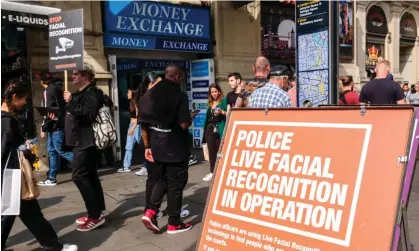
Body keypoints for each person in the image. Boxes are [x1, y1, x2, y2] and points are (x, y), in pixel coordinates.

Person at [1, 80, 78, 251]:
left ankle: (52, 245)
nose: (24, 103)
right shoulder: (6, 122)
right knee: (29, 214)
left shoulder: (5, 119)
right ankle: (53, 246)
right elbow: (4, 152)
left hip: (9, 177)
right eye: (23, 99)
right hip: (12, 176)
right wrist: (25, 150)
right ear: (14, 97)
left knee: (15, 213)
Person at [138, 64, 193, 234]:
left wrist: (147, 146)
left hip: (156, 143)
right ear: (176, 76)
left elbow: (143, 122)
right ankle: (174, 224)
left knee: (161, 179)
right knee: (176, 184)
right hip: (175, 146)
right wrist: (190, 117)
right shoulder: (179, 95)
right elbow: (184, 124)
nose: (182, 80)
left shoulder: (150, 93)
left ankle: (151, 211)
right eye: (182, 77)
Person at [63, 63, 106, 232]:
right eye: (72, 74)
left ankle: (95, 216)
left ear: (86, 77)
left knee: (79, 176)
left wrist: (71, 101)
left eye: (75, 74)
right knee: (90, 176)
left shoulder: (92, 93)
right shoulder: (79, 94)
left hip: (85, 141)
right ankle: (96, 212)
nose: (72, 77)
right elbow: (72, 114)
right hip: (78, 140)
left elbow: (88, 115)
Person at [35, 72, 73, 186]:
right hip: (57, 125)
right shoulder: (56, 89)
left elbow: (48, 111)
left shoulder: (48, 91)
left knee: (60, 151)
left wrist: (43, 128)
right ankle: (51, 177)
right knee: (52, 151)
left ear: (42, 82)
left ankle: (84, 164)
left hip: (54, 126)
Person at [202, 84, 227, 182]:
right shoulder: (210, 102)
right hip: (210, 129)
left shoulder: (224, 101)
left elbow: (228, 113)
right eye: (212, 92)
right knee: (211, 152)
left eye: (215, 91)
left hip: (220, 128)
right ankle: (213, 172)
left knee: (221, 152)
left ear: (219, 91)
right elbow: (207, 118)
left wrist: (222, 112)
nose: (214, 94)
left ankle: (222, 172)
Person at [118, 87, 142, 173]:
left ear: (133, 93)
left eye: (129, 93)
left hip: (136, 126)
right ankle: (126, 166)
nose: (127, 94)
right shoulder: (131, 103)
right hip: (131, 125)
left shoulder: (136, 103)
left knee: (142, 145)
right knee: (128, 146)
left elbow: (138, 117)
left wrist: (133, 128)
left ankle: (147, 165)